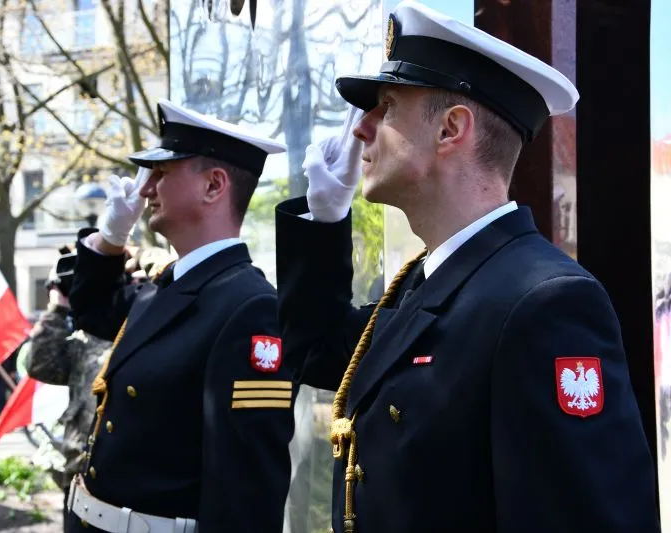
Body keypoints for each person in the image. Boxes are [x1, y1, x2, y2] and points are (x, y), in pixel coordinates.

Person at [274, 2, 660, 533]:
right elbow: (316, 351)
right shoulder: (426, 282)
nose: (361, 128)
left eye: (386, 106)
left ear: (451, 129)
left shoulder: (545, 302)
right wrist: (323, 221)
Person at [66, 99, 297, 533]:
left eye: (161, 174)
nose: (146, 190)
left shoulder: (250, 308)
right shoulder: (168, 285)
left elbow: (246, 491)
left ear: (213, 185)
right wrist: (111, 237)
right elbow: (92, 312)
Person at [22, 251, 114, 533]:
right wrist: (58, 306)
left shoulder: (140, 326)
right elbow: (40, 364)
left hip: (125, 475)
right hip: (79, 474)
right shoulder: (83, 343)